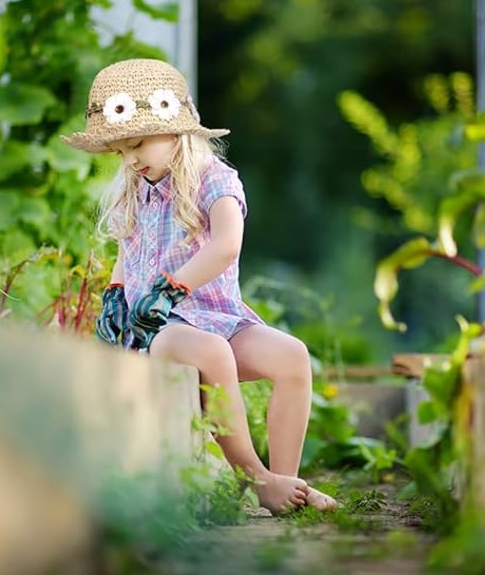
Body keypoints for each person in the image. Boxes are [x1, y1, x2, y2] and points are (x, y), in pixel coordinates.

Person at [62, 58, 337, 515]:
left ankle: (283, 483)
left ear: (176, 132)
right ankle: (255, 479)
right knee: (212, 353)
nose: (130, 159)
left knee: (292, 357)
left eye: (136, 144)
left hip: (216, 315)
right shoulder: (136, 189)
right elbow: (128, 256)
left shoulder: (216, 181)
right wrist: (114, 297)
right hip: (158, 327)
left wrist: (171, 286)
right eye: (120, 152)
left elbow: (227, 246)